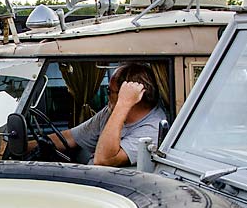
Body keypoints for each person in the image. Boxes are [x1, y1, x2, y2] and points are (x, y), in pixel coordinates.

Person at [37, 63, 167, 167]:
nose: (107, 95)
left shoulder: (153, 128)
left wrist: (123, 105)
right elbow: (70, 137)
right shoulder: (110, 111)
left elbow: (104, 160)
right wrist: (23, 146)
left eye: (110, 91)